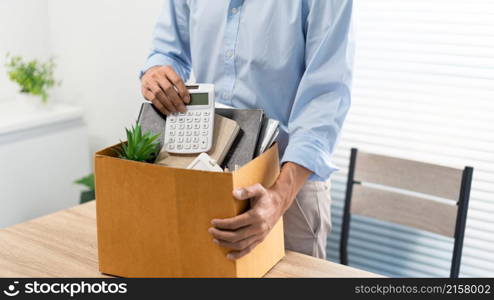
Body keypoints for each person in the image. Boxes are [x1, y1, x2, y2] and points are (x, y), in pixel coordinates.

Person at [140, 0, 354, 260]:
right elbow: (168, 52)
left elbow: (326, 98)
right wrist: (156, 73)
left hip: (289, 182)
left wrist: (278, 198)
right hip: (208, 171)